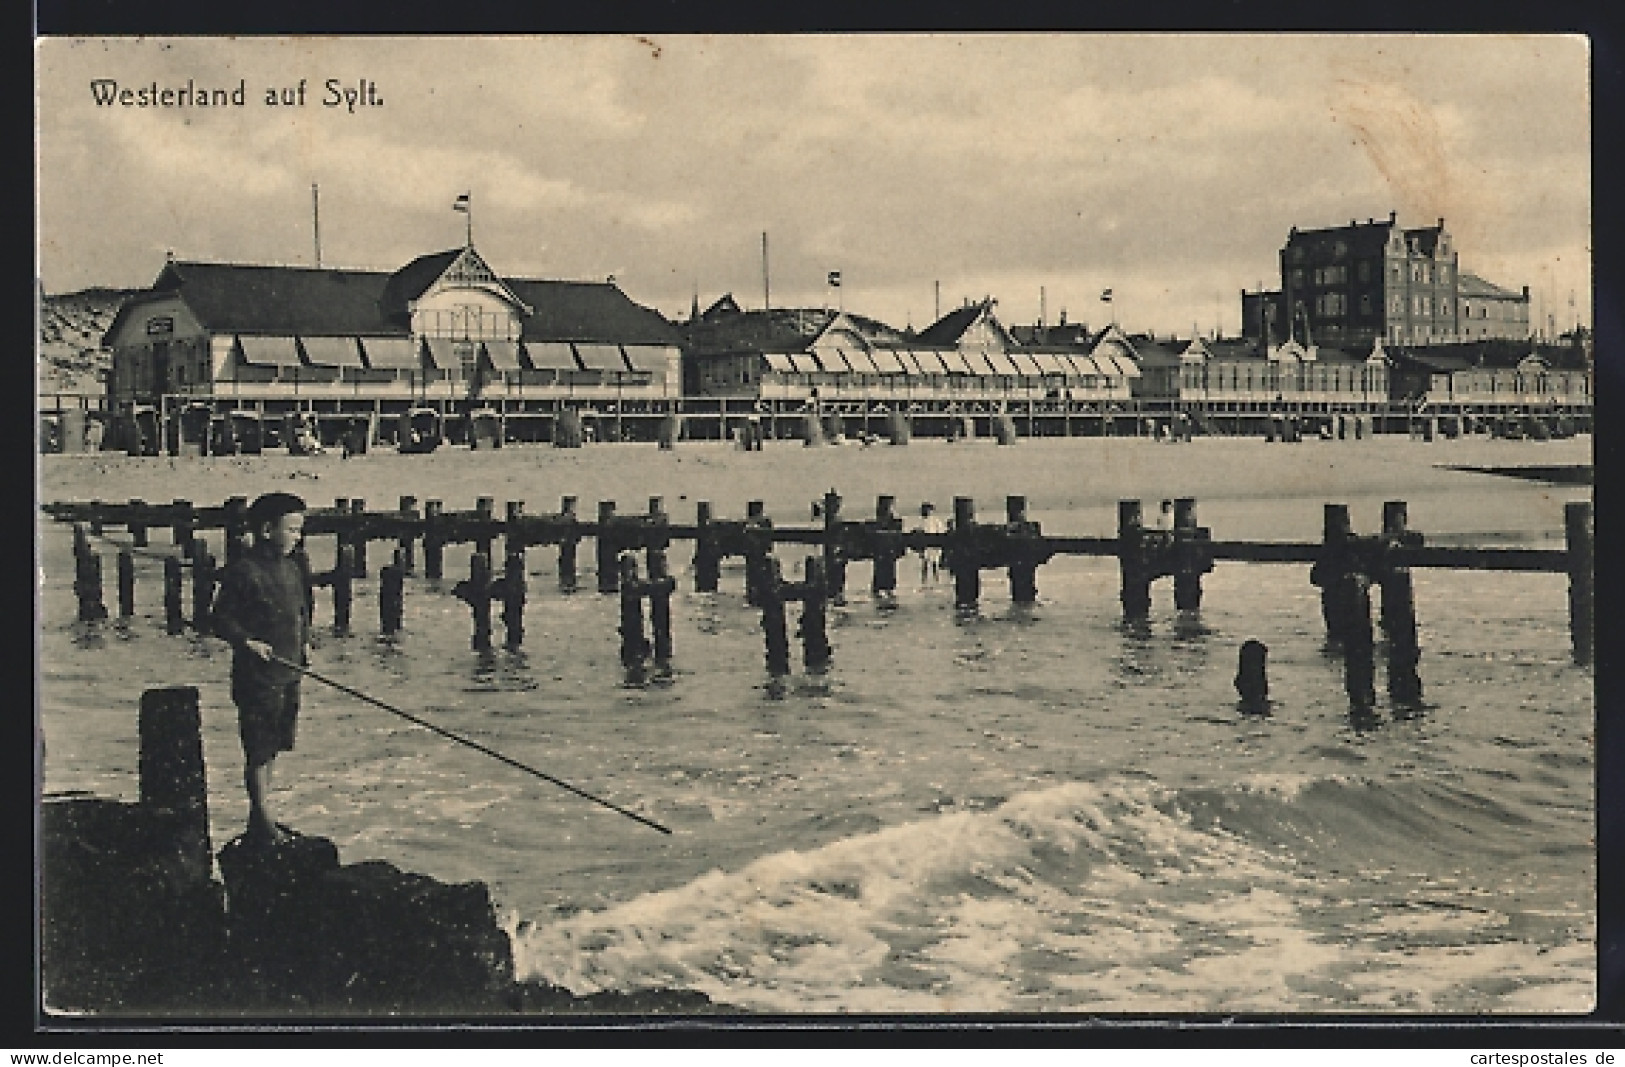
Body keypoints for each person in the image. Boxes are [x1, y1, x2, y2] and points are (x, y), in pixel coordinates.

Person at [211, 491, 313, 847]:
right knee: (257, 747)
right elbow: (219, 618)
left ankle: (263, 813)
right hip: (257, 675)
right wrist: (247, 642)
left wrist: (305, 644)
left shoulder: (292, 567)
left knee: (275, 746)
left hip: (289, 671)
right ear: (268, 529)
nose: (298, 537)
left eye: (300, 530)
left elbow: (300, 611)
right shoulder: (244, 569)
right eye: (292, 529)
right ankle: (262, 818)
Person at [915, 502, 946, 583]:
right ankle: (924, 581)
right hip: (925, 545)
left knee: (934, 564)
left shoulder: (936, 520)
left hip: (934, 544)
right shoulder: (921, 521)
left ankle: (936, 580)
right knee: (924, 564)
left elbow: (941, 531)